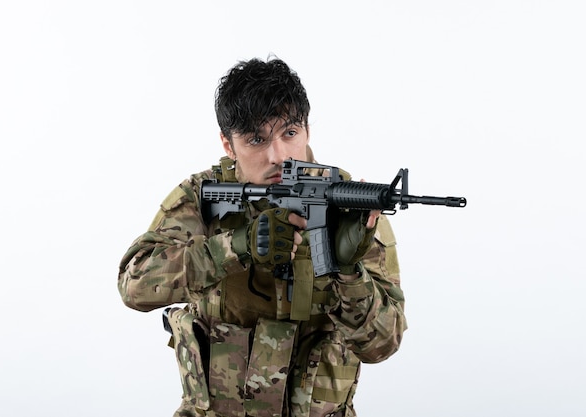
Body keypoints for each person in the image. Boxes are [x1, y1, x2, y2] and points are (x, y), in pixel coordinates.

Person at [118, 57, 407, 417]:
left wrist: (347, 271)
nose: (279, 156)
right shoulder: (203, 195)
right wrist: (236, 247)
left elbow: (382, 344)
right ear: (228, 144)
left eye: (289, 133)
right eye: (256, 139)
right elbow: (134, 286)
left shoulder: (349, 207)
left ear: (307, 131)